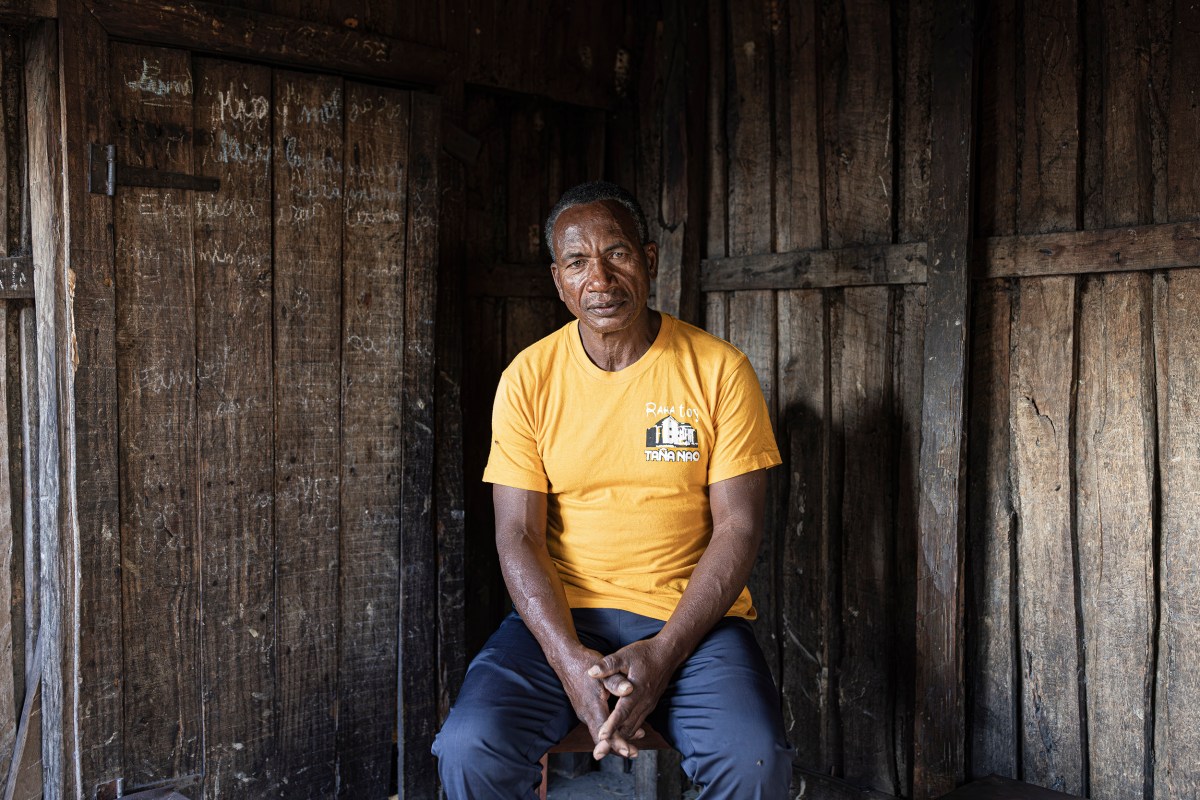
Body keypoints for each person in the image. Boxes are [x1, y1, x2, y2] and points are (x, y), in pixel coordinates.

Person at [433, 181, 792, 798]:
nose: (599, 278)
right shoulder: (528, 378)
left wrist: (664, 654)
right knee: (471, 748)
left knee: (752, 757)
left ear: (649, 260)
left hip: (691, 621)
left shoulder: (717, 369)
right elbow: (516, 534)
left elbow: (739, 528)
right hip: (561, 619)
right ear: (558, 278)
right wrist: (566, 660)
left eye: (617, 253)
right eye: (577, 262)